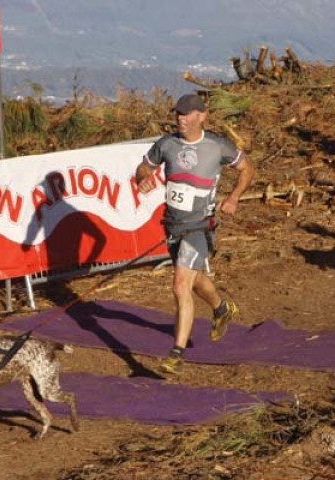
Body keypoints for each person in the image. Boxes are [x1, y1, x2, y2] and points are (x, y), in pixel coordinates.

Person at [135, 93, 255, 375]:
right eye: (178, 113)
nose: (181, 118)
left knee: (179, 285)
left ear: (202, 116)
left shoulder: (217, 146)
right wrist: (143, 178)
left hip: (200, 228)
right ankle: (221, 307)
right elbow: (143, 167)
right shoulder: (167, 144)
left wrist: (234, 198)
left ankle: (176, 353)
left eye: (187, 114)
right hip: (173, 226)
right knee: (196, 281)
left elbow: (247, 168)